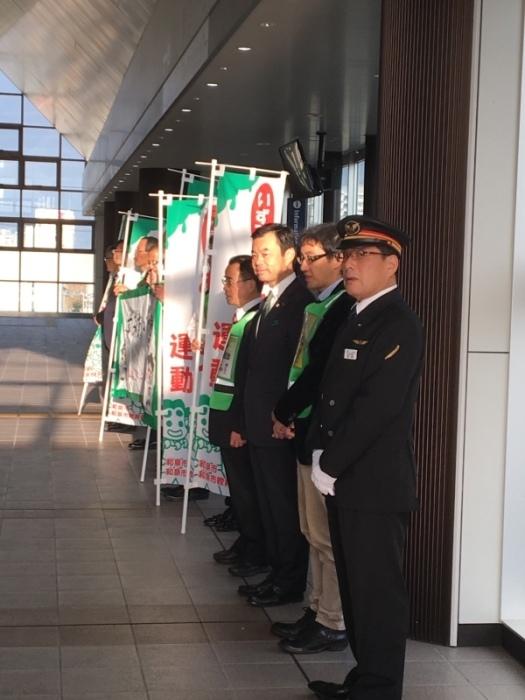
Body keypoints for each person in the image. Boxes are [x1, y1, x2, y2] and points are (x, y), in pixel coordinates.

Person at [306, 215, 424, 700]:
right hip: (346, 479)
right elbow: (332, 393)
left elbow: (377, 406)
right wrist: (319, 450)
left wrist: (329, 464)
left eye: (361, 255)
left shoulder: (397, 322)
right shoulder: (356, 314)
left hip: (373, 483)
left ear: (391, 264)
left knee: (377, 591)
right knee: (356, 589)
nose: (349, 263)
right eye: (346, 255)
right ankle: (365, 676)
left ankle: (380, 687)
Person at [270, 223, 350, 654]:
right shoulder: (323, 304)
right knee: (310, 530)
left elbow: (318, 374)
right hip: (305, 429)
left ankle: (333, 621)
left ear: (339, 259)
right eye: (300, 258)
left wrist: (283, 410)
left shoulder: (342, 309)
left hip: (323, 436)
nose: (302, 266)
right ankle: (316, 608)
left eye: (310, 257)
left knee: (325, 536)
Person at [240, 223, 312, 607]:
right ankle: (275, 572)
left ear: (289, 256)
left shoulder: (300, 300)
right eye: (254, 253)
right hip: (258, 423)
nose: (258, 260)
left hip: (279, 425)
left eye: (265, 253)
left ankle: (289, 581)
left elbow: (297, 367)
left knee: (284, 508)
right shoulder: (271, 299)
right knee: (269, 504)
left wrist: (286, 416)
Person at [208, 255, 268, 574]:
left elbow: (249, 380)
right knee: (239, 491)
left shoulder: (257, 319)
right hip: (227, 418)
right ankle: (246, 542)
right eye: (226, 281)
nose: (227, 288)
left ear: (250, 283)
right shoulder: (242, 318)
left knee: (248, 493)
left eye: (231, 281)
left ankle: (255, 549)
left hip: (238, 424)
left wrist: (239, 425)